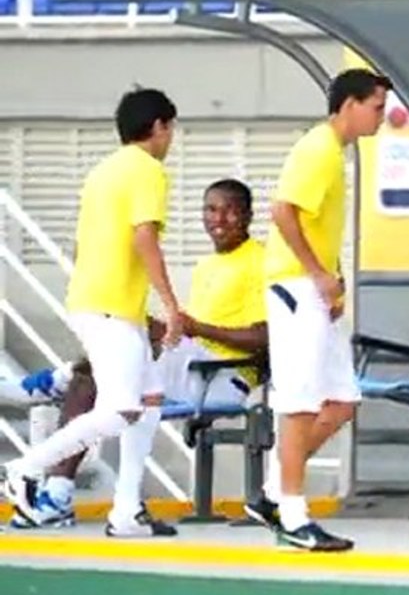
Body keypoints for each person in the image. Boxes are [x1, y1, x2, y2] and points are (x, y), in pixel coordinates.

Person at [9, 179, 267, 530]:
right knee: (115, 346)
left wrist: (194, 328)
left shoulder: (261, 261)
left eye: (229, 209)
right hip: (190, 362)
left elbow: (265, 337)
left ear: (248, 215)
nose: (218, 218)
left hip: (223, 376)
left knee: (119, 341)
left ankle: (50, 390)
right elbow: (185, 332)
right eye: (210, 208)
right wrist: (179, 329)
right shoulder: (208, 265)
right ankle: (63, 492)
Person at [1, 88, 183, 537]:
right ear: (159, 126)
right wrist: (172, 306)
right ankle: (24, 468)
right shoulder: (147, 170)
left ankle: (126, 510)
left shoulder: (103, 171)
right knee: (120, 408)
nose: (171, 137)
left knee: (150, 396)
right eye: (170, 128)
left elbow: (84, 244)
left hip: (101, 300)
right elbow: (145, 240)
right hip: (111, 307)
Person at [244, 68, 392, 551]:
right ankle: (292, 512)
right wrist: (317, 274)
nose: (381, 117)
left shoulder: (333, 153)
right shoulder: (318, 149)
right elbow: (283, 211)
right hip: (295, 288)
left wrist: (332, 282)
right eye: (375, 107)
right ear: (349, 104)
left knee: (342, 399)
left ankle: (271, 491)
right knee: (299, 402)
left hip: (314, 290)